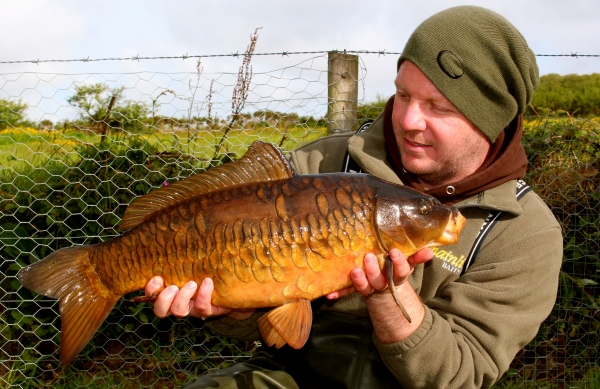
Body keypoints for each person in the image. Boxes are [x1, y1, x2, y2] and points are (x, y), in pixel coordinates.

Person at [145, 6, 563, 388]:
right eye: (403, 95)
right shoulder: (322, 162)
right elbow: (263, 314)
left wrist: (388, 296)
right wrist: (233, 312)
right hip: (292, 375)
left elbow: (457, 375)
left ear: (491, 120)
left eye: (439, 107)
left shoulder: (523, 232)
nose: (409, 120)